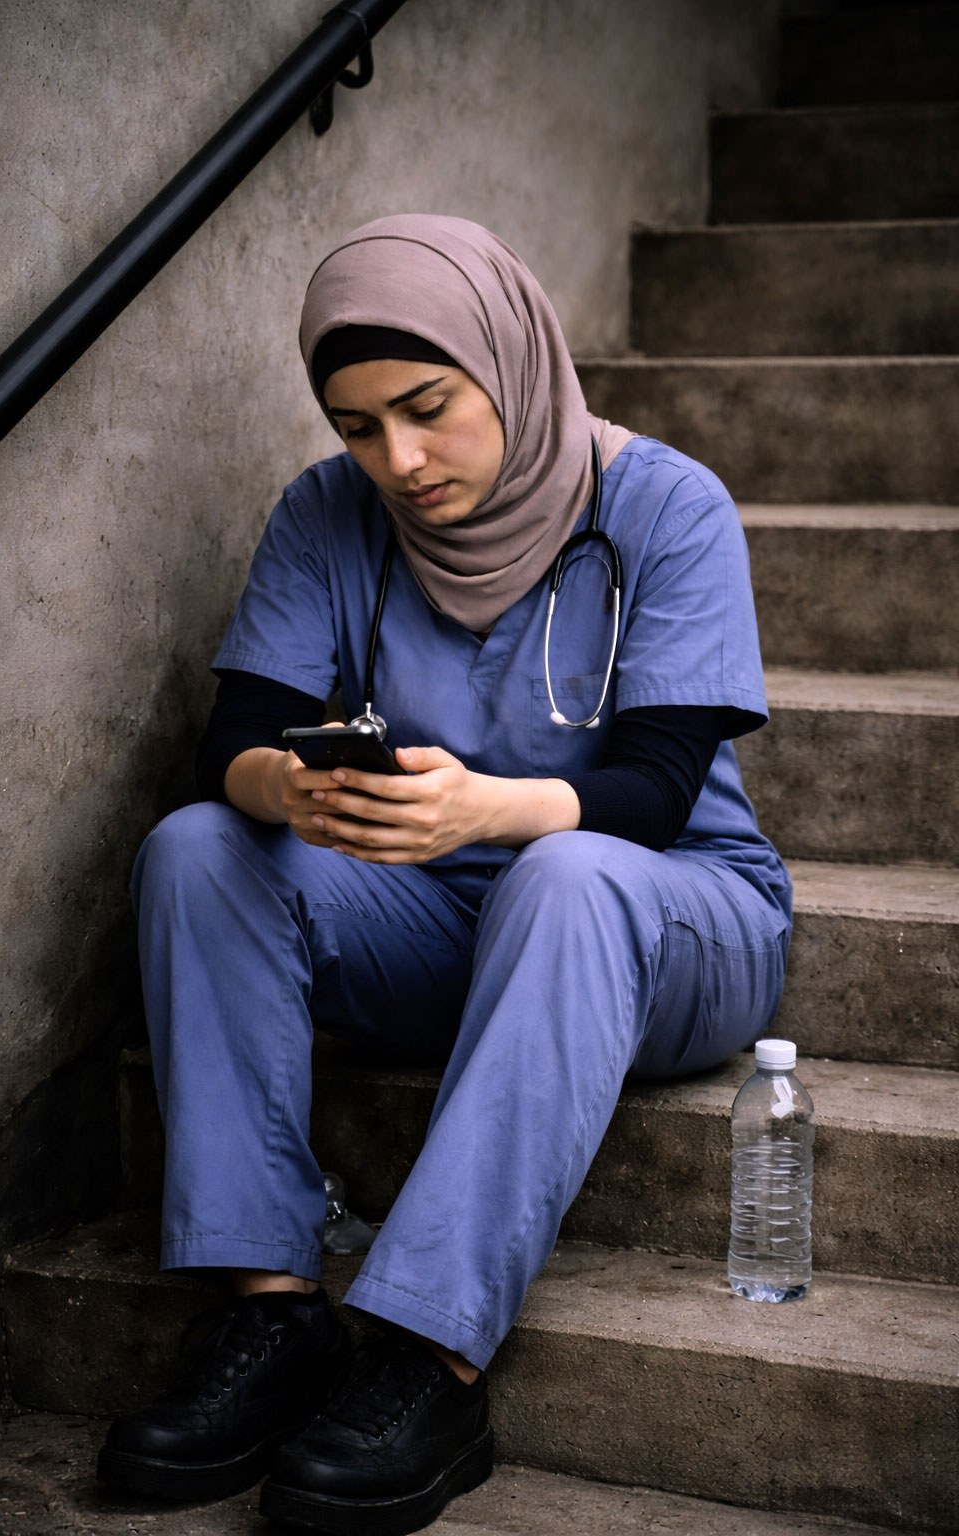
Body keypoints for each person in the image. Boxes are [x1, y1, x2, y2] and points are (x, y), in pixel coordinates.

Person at [97, 214, 792, 1534]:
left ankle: (432, 1359)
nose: (398, 462)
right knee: (197, 849)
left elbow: (650, 788)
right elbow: (229, 744)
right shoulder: (326, 513)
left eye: (427, 410)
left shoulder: (666, 506)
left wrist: (485, 808)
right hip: (440, 922)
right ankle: (271, 1314)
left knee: (566, 874)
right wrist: (288, 789)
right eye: (359, 427)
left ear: (512, 365)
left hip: (669, 917)